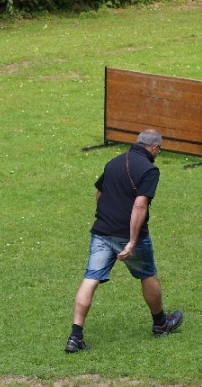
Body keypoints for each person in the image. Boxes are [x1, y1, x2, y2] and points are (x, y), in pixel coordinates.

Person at [65, 128, 183, 353]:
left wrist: (104, 218)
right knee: (147, 274)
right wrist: (131, 242)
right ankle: (160, 324)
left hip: (101, 230)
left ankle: (75, 336)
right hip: (128, 235)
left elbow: (99, 194)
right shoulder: (149, 170)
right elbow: (140, 205)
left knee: (91, 278)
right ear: (155, 148)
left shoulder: (113, 162)